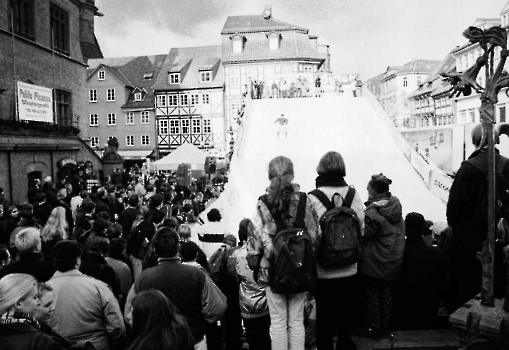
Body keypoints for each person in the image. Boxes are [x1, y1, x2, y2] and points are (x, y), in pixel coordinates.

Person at [247, 155, 319, 350]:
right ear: (292, 174)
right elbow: (315, 235)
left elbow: (254, 241)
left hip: (271, 270)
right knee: (296, 321)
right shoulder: (305, 201)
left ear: (270, 175)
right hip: (299, 268)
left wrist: (255, 263)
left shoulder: (263, 204)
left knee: (278, 322)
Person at [125, 227, 226, 350]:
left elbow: (129, 314)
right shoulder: (197, 274)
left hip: (158, 343)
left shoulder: (143, 278)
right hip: (193, 340)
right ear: (178, 248)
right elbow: (217, 308)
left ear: (155, 251)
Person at [446, 124, 509, 314]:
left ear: (474, 141)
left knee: (467, 286)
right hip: (500, 242)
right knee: (496, 289)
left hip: (469, 243)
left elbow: (453, 213)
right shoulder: (507, 165)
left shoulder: (468, 169)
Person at [307, 151, 365, 350]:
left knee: (324, 316)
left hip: (324, 269)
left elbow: (311, 235)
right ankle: (344, 345)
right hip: (350, 266)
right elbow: (361, 227)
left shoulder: (313, 198)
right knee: (346, 314)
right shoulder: (353, 194)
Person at [48, 240, 126, 350]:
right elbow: (117, 327)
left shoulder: (42, 291)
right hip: (96, 345)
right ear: (78, 260)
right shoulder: (99, 287)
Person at [357, 173, 405, 340]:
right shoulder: (395, 205)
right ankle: (384, 326)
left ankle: (374, 328)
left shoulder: (373, 211)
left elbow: (365, 234)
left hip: (375, 260)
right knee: (386, 293)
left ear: (373, 192)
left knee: (372, 294)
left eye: (368, 189)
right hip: (393, 258)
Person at [391, 212, 448, 330]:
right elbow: (445, 285)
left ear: (405, 229)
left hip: (401, 311)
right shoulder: (436, 254)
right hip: (428, 309)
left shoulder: (396, 253)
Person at [0, 273, 67, 350]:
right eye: (35, 297)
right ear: (19, 304)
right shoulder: (40, 341)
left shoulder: (38, 327)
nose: (39, 302)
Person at [234, 218, 271, 350]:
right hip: (265, 305)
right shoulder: (265, 252)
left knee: (253, 341)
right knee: (267, 340)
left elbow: (238, 278)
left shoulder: (238, 255)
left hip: (247, 306)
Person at [126, 289, 194, 350]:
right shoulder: (181, 335)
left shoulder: (147, 345)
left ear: (147, 317)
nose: (128, 316)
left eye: (132, 311)